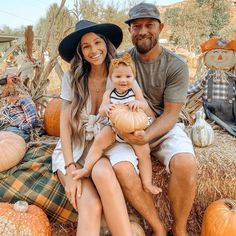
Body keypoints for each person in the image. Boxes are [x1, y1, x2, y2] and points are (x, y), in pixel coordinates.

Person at [112, 3, 197, 236]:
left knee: (186, 163)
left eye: (149, 25)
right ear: (130, 30)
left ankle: (179, 228)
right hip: (127, 127)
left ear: (161, 27)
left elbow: (171, 114)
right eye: (136, 26)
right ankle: (157, 227)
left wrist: (145, 138)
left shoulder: (175, 65)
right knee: (122, 169)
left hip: (161, 126)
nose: (143, 31)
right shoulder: (121, 62)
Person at [51, 20, 133, 236]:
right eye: (86, 46)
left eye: (97, 42)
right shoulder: (72, 78)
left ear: (106, 44)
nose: (93, 50)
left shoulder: (120, 76)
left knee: (104, 172)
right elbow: (64, 125)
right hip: (74, 148)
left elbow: (127, 118)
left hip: (102, 148)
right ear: (80, 51)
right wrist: (69, 168)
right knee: (91, 205)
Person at [72, 53, 162, 195]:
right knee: (100, 141)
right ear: (111, 78)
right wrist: (106, 108)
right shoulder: (109, 94)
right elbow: (101, 111)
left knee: (144, 152)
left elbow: (144, 105)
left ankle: (147, 183)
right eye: (118, 77)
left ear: (133, 77)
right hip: (114, 128)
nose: (123, 80)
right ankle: (87, 168)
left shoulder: (135, 90)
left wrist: (137, 103)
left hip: (135, 126)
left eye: (128, 76)